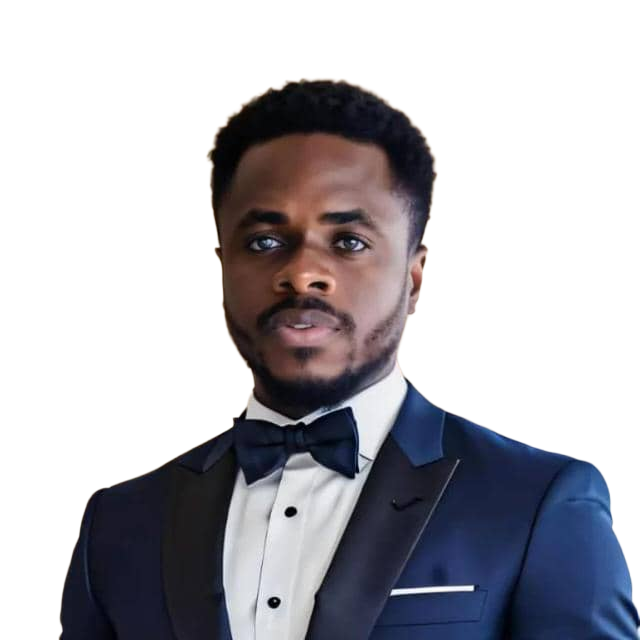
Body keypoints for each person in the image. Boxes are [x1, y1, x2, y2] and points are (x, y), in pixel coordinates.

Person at [59, 80, 639, 639]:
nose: (301, 273)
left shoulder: (536, 503)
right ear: (223, 266)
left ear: (413, 278)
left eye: (349, 242)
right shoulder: (121, 524)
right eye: (264, 242)